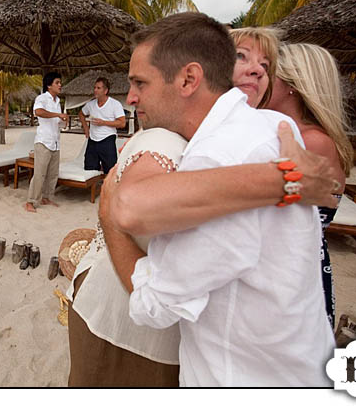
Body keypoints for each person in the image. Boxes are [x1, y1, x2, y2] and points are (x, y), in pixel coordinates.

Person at [66, 23, 336, 387]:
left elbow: (155, 302)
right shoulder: (272, 125)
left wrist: (109, 216)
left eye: (140, 83)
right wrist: (282, 179)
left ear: (189, 79)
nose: (130, 97)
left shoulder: (215, 154)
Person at [266, 43, 354, 328]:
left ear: (293, 85)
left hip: (290, 273)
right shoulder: (290, 134)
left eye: (269, 72)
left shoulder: (313, 141)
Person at [24, 72, 69, 213]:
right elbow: (38, 112)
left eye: (60, 82)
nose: (60, 85)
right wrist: (57, 115)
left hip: (55, 142)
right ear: (49, 85)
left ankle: (47, 197)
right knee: (39, 173)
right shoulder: (42, 98)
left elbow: (57, 123)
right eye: (57, 82)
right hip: (43, 141)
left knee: (53, 174)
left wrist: (63, 122)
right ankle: (30, 202)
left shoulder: (57, 102)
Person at [78, 77, 126, 173]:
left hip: (107, 140)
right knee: (89, 169)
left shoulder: (115, 104)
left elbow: (122, 123)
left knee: (110, 171)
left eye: (98, 88)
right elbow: (81, 114)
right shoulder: (90, 104)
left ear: (105, 91)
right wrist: (86, 128)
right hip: (92, 141)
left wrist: (103, 122)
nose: (95, 90)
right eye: (95, 87)